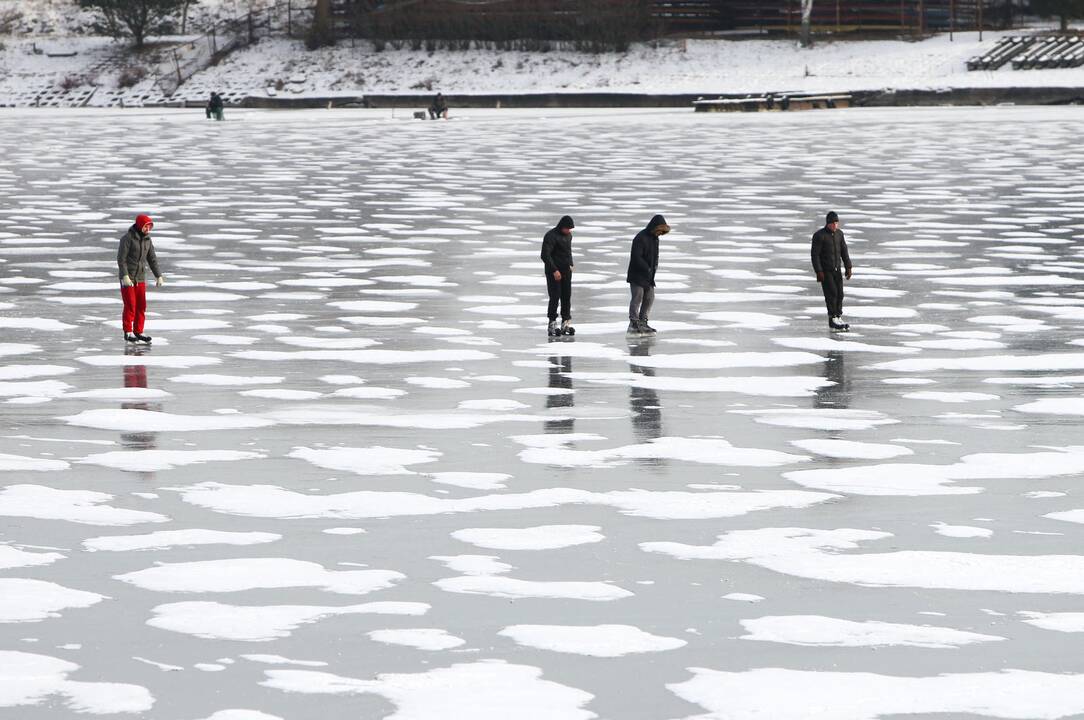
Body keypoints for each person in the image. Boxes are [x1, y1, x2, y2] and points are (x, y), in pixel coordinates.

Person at [117, 214, 165, 344]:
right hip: (128, 278)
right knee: (130, 305)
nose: (147, 229)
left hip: (140, 278)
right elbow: (121, 260)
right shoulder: (127, 239)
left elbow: (152, 260)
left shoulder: (148, 241)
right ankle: (128, 332)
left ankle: (138, 331)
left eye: (149, 227)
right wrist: (125, 275)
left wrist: (158, 275)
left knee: (141, 306)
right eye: (145, 226)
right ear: (139, 225)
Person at [626, 214, 669, 336]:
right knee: (637, 297)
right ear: (655, 227)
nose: (660, 234)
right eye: (660, 231)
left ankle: (643, 322)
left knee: (649, 297)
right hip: (637, 274)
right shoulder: (640, 237)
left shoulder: (655, 239)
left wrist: (653, 269)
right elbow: (636, 257)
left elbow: (655, 256)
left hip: (649, 276)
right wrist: (647, 268)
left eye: (662, 232)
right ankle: (633, 323)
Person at [810, 210, 853, 331]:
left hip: (837, 269)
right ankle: (832, 317)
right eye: (833, 223)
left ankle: (838, 316)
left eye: (836, 223)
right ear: (828, 223)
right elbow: (815, 255)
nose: (835, 225)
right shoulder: (819, 235)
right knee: (832, 293)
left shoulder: (839, 234)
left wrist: (848, 267)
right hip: (826, 271)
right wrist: (818, 271)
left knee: (840, 294)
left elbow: (844, 251)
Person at [541, 215, 576, 337]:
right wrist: (554, 270)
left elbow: (568, 252)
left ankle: (565, 322)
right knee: (555, 297)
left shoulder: (569, 236)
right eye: (567, 228)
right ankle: (552, 324)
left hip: (566, 271)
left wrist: (571, 263)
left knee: (566, 296)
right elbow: (545, 255)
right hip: (553, 272)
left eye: (570, 229)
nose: (569, 231)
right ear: (562, 226)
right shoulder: (551, 236)